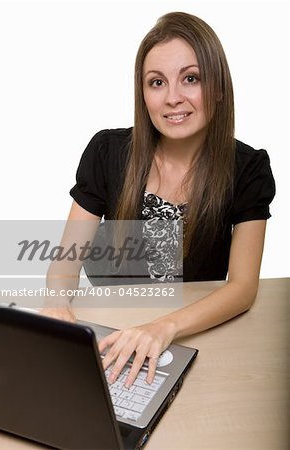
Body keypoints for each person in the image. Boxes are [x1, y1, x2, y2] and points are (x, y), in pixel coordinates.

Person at [41, 12, 275, 388]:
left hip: (194, 333)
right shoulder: (107, 152)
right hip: (115, 331)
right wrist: (55, 303)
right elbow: (66, 263)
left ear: (217, 87)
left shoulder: (248, 169)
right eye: (156, 82)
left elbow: (243, 287)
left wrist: (163, 327)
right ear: (143, 93)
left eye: (191, 78)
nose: (172, 99)